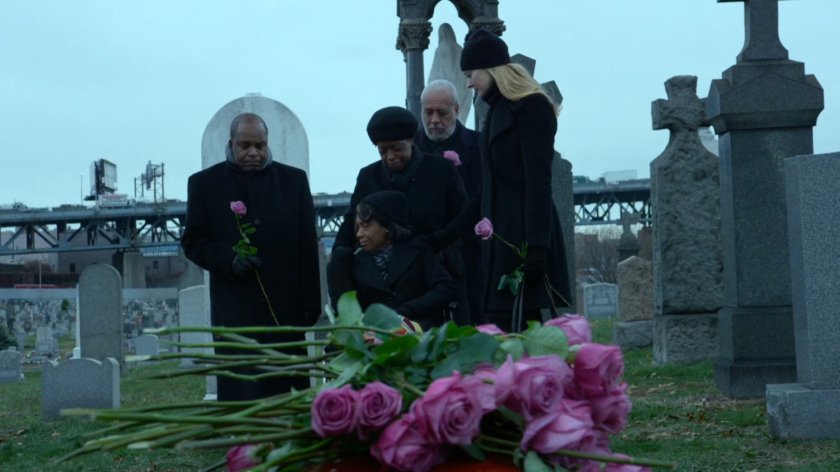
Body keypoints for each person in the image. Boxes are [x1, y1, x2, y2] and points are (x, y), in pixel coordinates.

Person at [181, 112, 321, 401]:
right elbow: (194, 241)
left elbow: (307, 244)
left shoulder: (293, 181)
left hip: (286, 309)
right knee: (242, 384)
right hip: (236, 307)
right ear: (231, 144)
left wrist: (311, 304)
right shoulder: (204, 184)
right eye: (245, 146)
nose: (253, 153)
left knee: (287, 385)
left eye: (260, 145)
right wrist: (227, 260)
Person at [460, 29, 572, 331]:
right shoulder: (496, 111)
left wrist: (537, 246)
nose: (469, 82)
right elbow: (489, 184)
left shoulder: (532, 107)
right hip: (500, 235)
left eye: (471, 74)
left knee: (522, 326)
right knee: (505, 325)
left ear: (490, 68)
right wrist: (448, 231)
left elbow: (538, 180)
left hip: (522, 236)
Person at [332, 106, 471, 325]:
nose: (390, 157)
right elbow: (355, 217)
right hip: (393, 275)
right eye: (383, 151)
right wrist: (341, 251)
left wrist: (439, 240)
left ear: (412, 141)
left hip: (437, 265)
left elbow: (463, 216)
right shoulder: (369, 176)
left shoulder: (441, 170)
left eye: (397, 148)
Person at [327, 191, 457, 330]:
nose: (359, 234)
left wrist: (407, 311)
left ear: (387, 226)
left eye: (366, 226)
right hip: (374, 339)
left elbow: (445, 288)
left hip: (420, 333)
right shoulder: (353, 263)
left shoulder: (419, 251)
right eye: (357, 227)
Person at [414, 79, 484, 324]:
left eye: (442, 113)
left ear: (456, 110)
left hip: (469, 257)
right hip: (423, 258)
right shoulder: (409, 149)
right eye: (428, 112)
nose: (434, 120)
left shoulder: (479, 147)